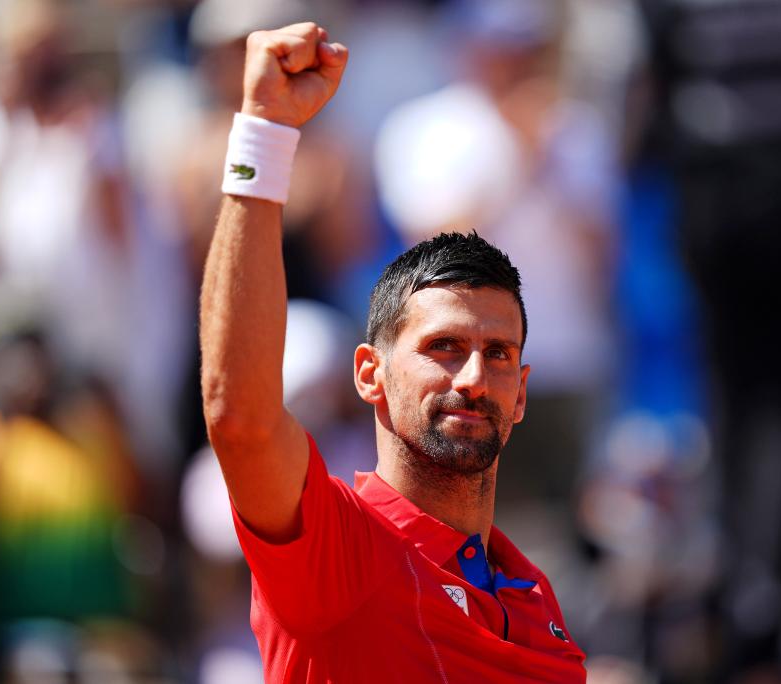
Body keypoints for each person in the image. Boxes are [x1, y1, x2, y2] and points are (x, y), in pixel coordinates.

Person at [199, 21, 586, 682]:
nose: (472, 375)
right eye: (443, 347)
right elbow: (240, 416)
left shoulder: (537, 600)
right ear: (369, 374)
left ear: (521, 393)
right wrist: (264, 129)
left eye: (497, 355)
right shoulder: (337, 548)